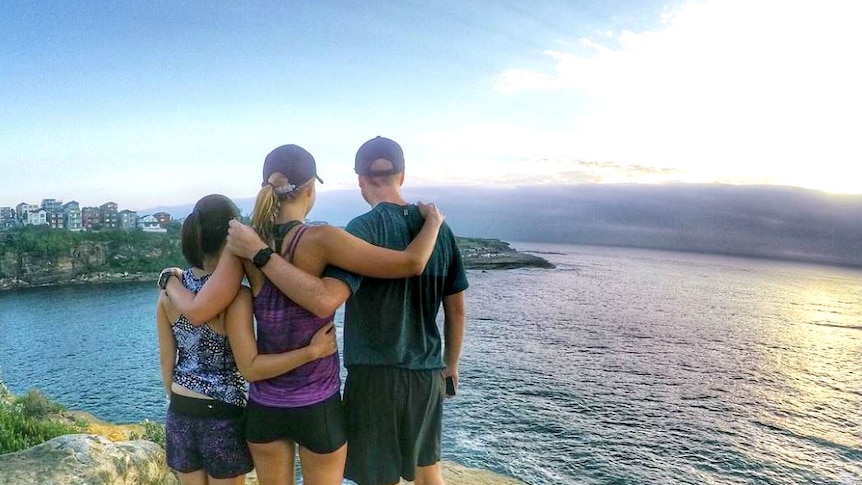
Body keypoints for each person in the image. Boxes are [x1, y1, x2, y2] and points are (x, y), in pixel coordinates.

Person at [161, 144, 445, 485]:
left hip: (266, 406)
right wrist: (433, 224)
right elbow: (412, 263)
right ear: (310, 189)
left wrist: (170, 280)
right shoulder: (323, 239)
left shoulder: (243, 245)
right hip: (317, 405)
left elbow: (199, 310)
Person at [325, 136, 469, 485]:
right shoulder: (438, 230)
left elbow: (329, 296)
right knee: (427, 469)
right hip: (426, 372)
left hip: (375, 375)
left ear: (360, 180)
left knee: (378, 477)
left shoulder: (362, 229)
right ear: (401, 176)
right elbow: (456, 309)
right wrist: (450, 364)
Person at [155, 194, 254, 485]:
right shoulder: (237, 295)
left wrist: (178, 397)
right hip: (222, 411)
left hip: (181, 409)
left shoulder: (169, 292)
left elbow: (166, 359)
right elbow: (245, 359)